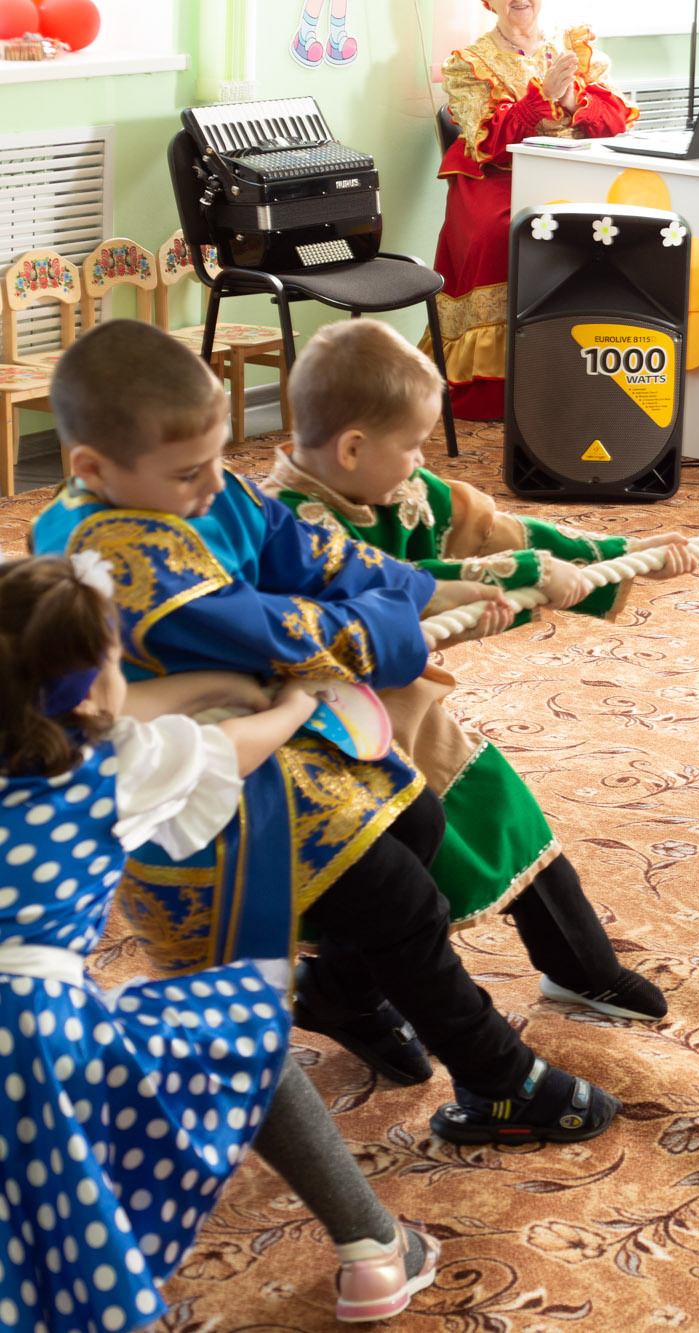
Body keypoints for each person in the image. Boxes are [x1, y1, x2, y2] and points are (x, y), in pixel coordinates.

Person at [31, 320, 622, 1145]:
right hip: (197, 795)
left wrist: (422, 589)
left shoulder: (186, 486)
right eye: (188, 473)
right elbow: (267, 628)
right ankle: (500, 1080)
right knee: (395, 896)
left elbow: (300, 548)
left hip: (265, 745)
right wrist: (398, 624)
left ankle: (341, 989)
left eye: (216, 460)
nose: (212, 488)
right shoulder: (112, 546)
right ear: (93, 468)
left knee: (418, 816)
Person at [0, 554, 441, 1328]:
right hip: (35, 1029)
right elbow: (234, 746)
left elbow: (107, 697)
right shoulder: (113, 768)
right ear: (98, 681)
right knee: (238, 1021)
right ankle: (372, 1243)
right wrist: (295, 704)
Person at [263, 320, 699, 1062]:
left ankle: (581, 969)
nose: (420, 464)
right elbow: (388, 600)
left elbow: (494, 530)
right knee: (390, 879)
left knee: (502, 811)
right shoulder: (288, 528)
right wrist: (507, 583)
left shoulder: (401, 485)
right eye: (412, 446)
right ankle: (341, 996)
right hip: (330, 735)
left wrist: (622, 557)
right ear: (351, 448)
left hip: (409, 711)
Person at [433, 0, 637, 421]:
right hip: (499, 178)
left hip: (570, 172)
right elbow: (485, 139)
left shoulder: (574, 46)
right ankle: (500, 385)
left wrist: (572, 98)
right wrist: (541, 100)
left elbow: (616, 118)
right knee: (503, 231)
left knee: (625, 223)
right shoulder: (467, 62)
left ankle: (595, 362)